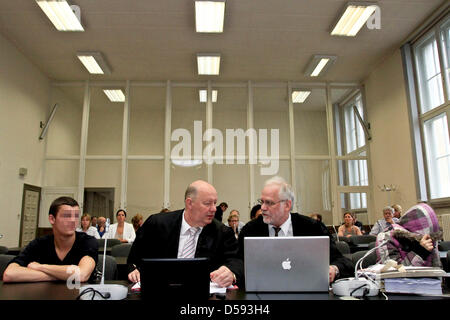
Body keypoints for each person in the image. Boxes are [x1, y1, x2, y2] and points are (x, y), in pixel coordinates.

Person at [127, 180, 243, 288]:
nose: (214, 209)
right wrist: (134, 270)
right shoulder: (157, 225)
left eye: (215, 203)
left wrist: (231, 273)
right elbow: (134, 258)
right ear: (189, 203)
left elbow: (237, 261)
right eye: (207, 204)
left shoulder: (222, 232)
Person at [238, 176, 353, 284]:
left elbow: (343, 262)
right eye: (262, 202)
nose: (262, 208)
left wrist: (334, 269)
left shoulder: (313, 228)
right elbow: (237, 263)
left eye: (269, 203)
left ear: (287, 205)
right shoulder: (250, 230)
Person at [3, 197, 98, 283]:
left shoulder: (87, 241)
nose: (73, 220)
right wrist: (60, 275)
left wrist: (40, 267)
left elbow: (81, 274)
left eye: (76, 216)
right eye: (67, 216)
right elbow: (9, 274)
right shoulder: (39, 244)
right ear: (52, 219)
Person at [376, 203, 442, 267]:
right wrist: (421, 251)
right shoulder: (386, 238)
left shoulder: (429, 237)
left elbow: (436, 267)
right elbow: (394, 271)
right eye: (386, 213)